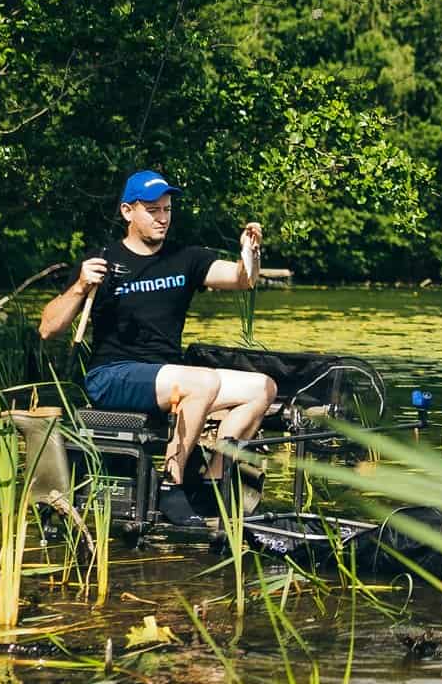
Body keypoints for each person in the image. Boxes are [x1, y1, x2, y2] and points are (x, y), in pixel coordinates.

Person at [39, 169, 277, 526]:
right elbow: (47, 329)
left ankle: (211, 483)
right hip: (112, 376)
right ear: (127, 211)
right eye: (153, 210)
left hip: (168, 377)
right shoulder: (102, 261)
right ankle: (172, 484)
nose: (163, 218)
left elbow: (242, 279)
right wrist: (78, 287)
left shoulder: (187, 258)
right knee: (201, 382)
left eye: (167, 209)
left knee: (262, 387)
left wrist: (250, 253)